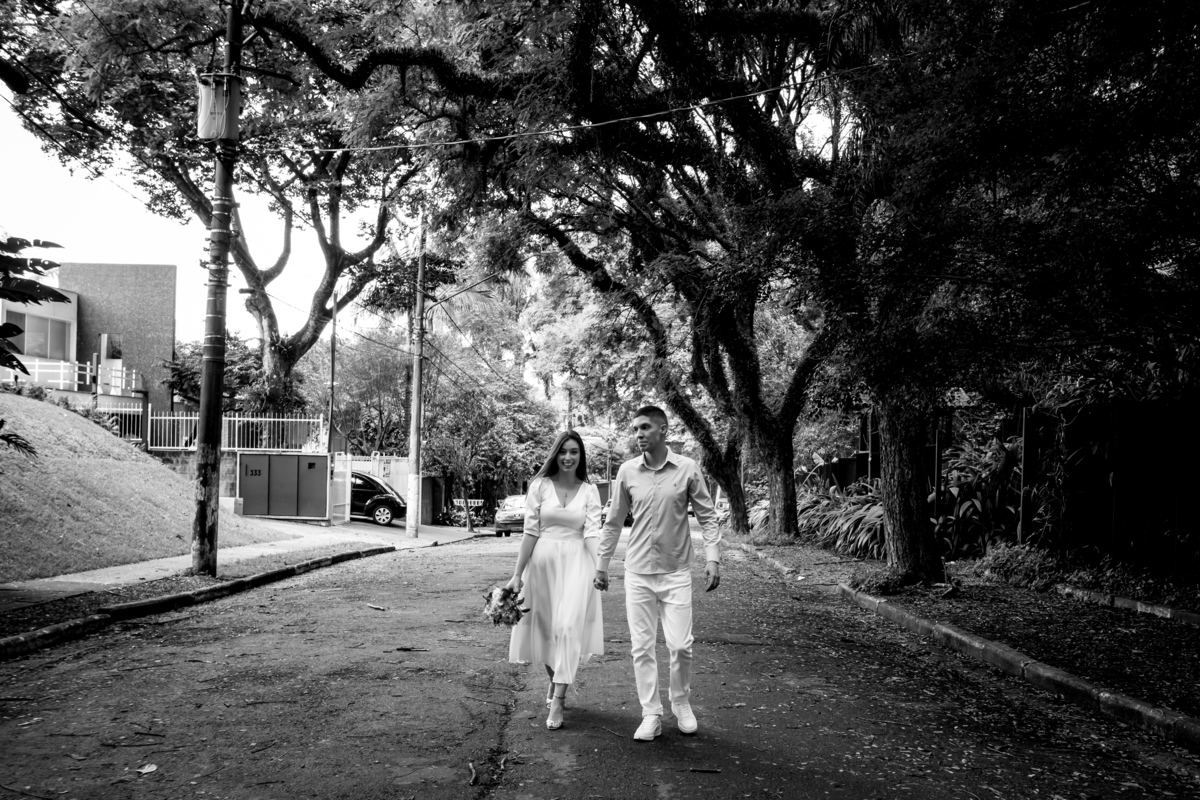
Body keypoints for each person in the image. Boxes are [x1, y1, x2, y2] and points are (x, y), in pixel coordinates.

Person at [593, 405, 721, 741]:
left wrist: (712, 558)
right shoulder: (627, 472)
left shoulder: (687, 468)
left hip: (676, 571)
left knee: (680, 646)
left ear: (663, 430)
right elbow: (613, 522)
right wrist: (602, 566)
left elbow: (707, 516)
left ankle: (680, 701)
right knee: (642, 647)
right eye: (635, 429)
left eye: (645, 427)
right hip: (637, 572)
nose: (639, 434)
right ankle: (650, 713)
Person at [506, 430, 604, 730]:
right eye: (563, 451)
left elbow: (591, 533)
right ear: (555, 454)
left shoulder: (590, 491)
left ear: (581, 456)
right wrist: (517, 575)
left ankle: (559, 699)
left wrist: (600, 567)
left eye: (574, 451)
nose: (568, 457)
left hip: (577, 564)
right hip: (543, 564)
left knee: (568, 628)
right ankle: (555, 678)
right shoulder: (540, 486)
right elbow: (530, 532)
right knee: (547, 632)